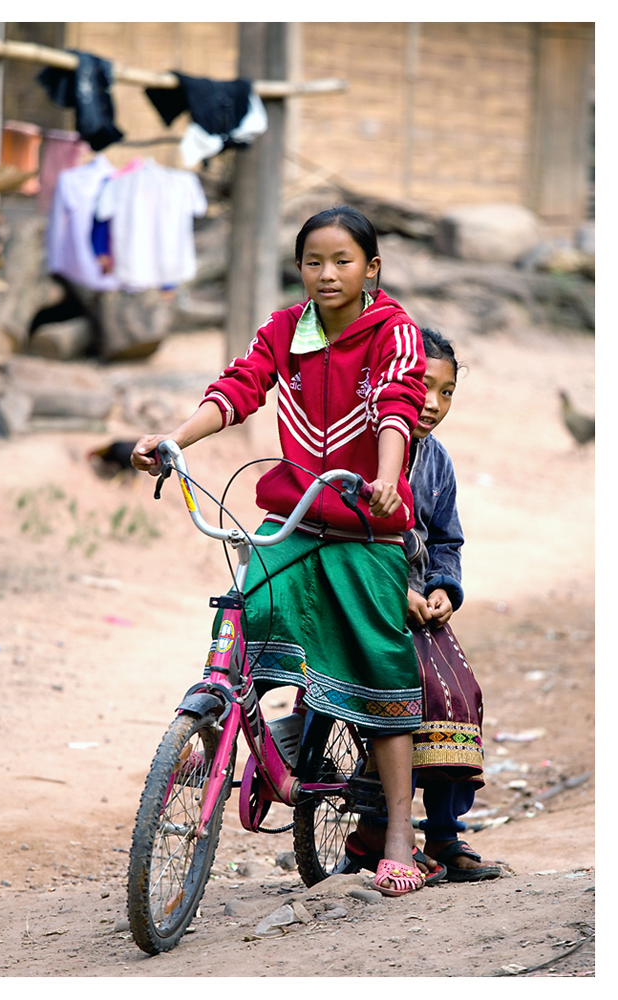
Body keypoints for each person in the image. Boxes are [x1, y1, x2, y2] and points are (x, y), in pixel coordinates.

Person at [132, 206, 428, 896]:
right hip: (291, 522)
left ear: (371, 269)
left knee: (380, 670)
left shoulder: (395, 333)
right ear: (300, 269)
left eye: (343, 261)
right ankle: (259, 740)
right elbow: (239, 388)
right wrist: (175, 440)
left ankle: (398, 834)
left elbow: (396, 405)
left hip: (366, 526)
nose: (327, 274)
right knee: (246, 619)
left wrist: (386, 480)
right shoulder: (282, 331)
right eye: (314, 262)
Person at [344, 328, 501, 882]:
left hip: (417, 604)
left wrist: (441, 589)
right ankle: (377, 826)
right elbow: (345, 538)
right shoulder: (358, 449)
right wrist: (397, 592)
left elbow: (446, 542)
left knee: (460, 693)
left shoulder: (436, 461)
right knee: (411, 692)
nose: (433, 404)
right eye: (421, 386)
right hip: (365, 596)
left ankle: (443, 833)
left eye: (448, 392)